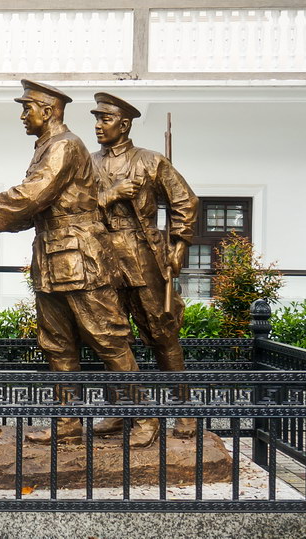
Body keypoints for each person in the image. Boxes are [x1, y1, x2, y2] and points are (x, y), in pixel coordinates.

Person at [0, 80, 156, 447]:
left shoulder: (64, 146)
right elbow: (34, 208)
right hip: (51, 256)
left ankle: (143, 417)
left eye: (27, 108)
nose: (23, 116)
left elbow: (31, 195)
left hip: (80, 258)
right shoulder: (45, 147)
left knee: (107, 338)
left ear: (48, 111)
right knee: (56, 343)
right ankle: (68, 423)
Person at [90, 92, 199, 438]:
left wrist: (179, 245)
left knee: (162, 332)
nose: (98, 125)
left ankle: (184, 411)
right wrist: (110, 194)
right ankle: (121, 410)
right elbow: (77, 207)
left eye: (105, 119)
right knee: (111, 336)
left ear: (124, 125)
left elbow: (185, 201)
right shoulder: (86, 164)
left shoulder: (151, 161)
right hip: (101, 257)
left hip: (142, 255)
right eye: (96, 118)